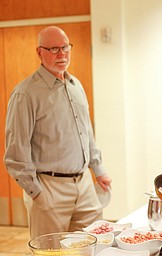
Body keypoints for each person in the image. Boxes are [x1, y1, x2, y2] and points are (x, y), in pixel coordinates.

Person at [4, 26, 112, 239]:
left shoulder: (75, 86)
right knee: (52, 251)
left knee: (94, 245)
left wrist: (98, 170)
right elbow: (16, 152)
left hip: (84, 185)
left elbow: (86, 132)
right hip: (49, 188)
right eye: (53, 49)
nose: (61, 54)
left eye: (65, 47)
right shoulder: (25, 93)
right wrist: (36, 192)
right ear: (39, 52)